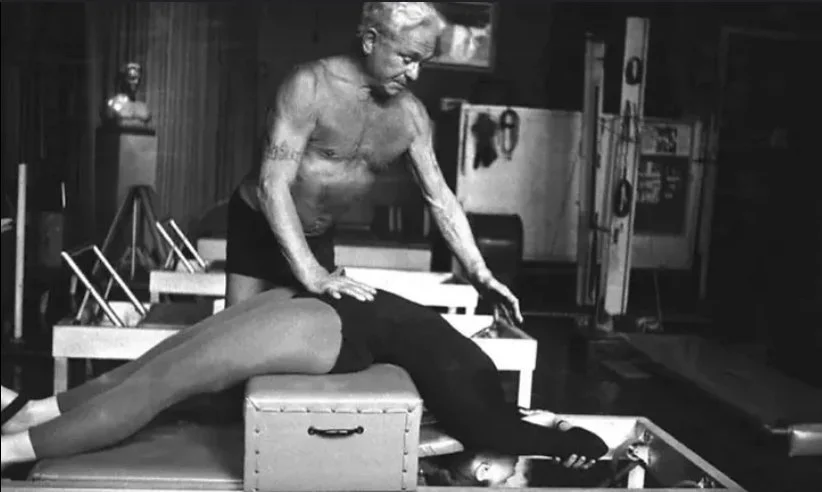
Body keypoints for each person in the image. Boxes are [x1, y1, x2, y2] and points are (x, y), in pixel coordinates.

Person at [1, 289, 609, 471]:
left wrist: (551, 432)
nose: (493, 470)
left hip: (310, 303)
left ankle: (31, 410)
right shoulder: (472, 385)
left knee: (156, 368)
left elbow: (489, 428)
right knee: (159, 383)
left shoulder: (468, 365)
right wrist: (577, 444)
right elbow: (486, 425)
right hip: (322, 326)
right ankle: (12, 447)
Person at [223, 2, 520, 331]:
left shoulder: (411, 117)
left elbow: (441, 199)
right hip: (258, 225)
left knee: (305, 340)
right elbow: (271, 186)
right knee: (237, 337)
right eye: (406, 59)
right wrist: (312, 272)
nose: (415, 74)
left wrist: (480, 272)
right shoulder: (310, 85)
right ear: (370, 41)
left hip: (317, 236)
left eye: (422, 62)